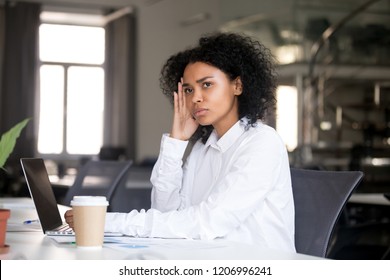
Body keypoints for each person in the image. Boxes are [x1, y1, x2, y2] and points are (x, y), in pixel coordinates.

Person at [65, 32, 296, 252]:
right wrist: (176, 142)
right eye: (188, 89)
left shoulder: (262, 143)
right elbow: (165, 212)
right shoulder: (202, 149)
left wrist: (106, 222)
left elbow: (207, 222)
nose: (195, 97)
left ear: (237, 85)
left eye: (207, 84)